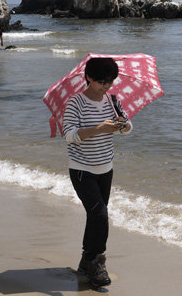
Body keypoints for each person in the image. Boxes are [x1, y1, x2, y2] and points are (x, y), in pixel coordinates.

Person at [62, 57, 132, 288]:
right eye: (101, 81)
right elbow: (69, 135)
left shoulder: (112, 100)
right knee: (100, 215)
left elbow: (126, 127)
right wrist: (98, 129)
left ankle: (86, 261)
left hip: (106, 168)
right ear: (88, 77)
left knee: (95, 216)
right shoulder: (76, 103)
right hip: (82, 170)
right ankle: (98, 262)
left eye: (110, 81)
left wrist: (123, 124)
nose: (106, 86)